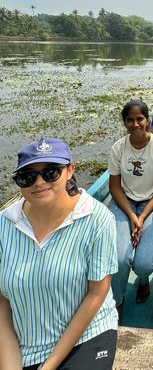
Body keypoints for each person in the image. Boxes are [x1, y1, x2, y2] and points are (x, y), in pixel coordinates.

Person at [0, 137, 118, 370]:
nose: (39, 182)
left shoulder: (97, 220)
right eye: (27, 177)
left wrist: (49, 365)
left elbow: (96, 295)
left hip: (86, 336)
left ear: (70, 170)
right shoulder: (5, 225)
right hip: (25, 342)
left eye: (51, 172)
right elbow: (3, 304)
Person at [108, 99, 153, 312]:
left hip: (152, 203)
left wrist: (142, 216)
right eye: (130, 120)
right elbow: (115, 187)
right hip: (124, 202)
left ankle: (143, 281)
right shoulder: (118, 148)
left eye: (140, 119)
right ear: (125, 123)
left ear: (147, 120)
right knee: (119, 258)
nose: (135, 124)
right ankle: (117, 300)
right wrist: (132, 216)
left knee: (144, 262)